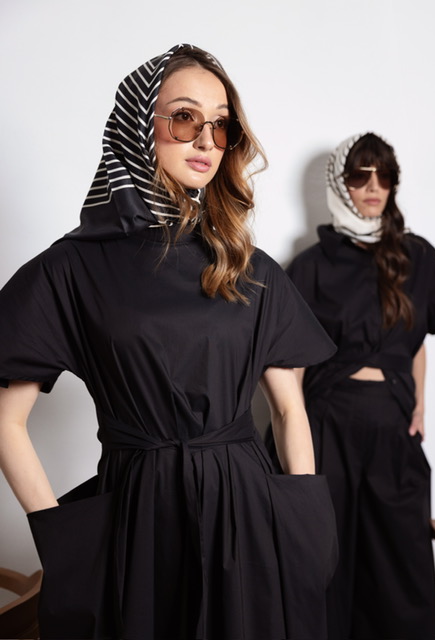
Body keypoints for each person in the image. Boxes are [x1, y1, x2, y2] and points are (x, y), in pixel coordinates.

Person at [0, 44, 338, 639]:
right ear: (139, 124)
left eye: (220, 125)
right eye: (184, 117)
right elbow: (7, 419)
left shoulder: (247, 265)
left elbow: (289, 409)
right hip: (137, 516)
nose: (206, 140)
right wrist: (62, 536)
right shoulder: (70, 269)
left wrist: (304, 521)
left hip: (246, 515)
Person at [284, 132, 435, 639]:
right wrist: (294, 435)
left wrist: (418, 406)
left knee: (400, 556)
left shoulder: (418, 257)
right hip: (328, 422)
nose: (374, 187)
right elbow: (291, 361)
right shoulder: (311, 265)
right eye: (361, 176)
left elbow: (417, 342)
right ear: (341, 184)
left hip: (392, 419)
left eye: (385, 176)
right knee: (326, 553)